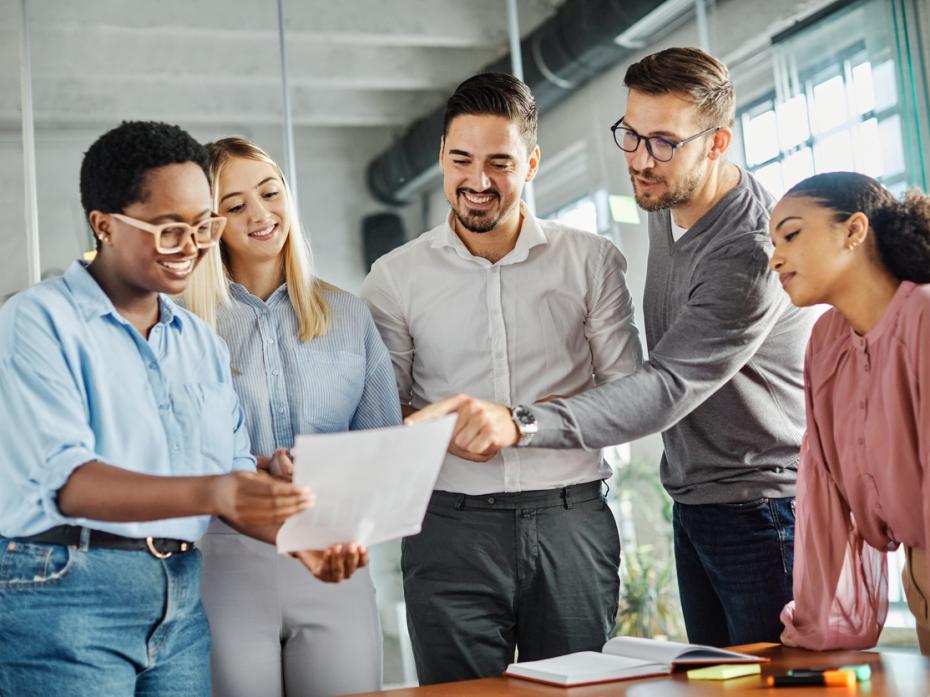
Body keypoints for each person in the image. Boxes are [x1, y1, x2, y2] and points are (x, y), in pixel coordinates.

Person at [408, 48, 816, 646]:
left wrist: (520, 421)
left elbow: (668, 385)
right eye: (631, 134)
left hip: (764, 509)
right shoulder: (669, 197)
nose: (640, 161)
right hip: (700, 502)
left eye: (663, 142)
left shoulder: (746, 253)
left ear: (718, 141)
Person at [0, 121, 357, 697]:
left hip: (181, 596)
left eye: (203, 226)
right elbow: (66, 482)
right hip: (66, 591)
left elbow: (233, 470)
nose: (193, 247)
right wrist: (217, 491)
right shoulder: (36, 322)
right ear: (105, 226)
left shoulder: (198, 342)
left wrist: (298, 534)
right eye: (170, 231)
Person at [360, 72, 642, 684]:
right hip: (448, 530)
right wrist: (429, 426)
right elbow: (381, 414)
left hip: (570, 524)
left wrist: (523, 424)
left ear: (532, 162)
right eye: (461, 160)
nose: (478, 182)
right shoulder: (395, 277)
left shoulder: (590, 260)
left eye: (500, 162)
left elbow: (628, 396)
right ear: (441, 157)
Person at [182, 137, 400, 697]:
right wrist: (257, 466)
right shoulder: (185, 327)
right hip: (223, 565)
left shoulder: (349, 315)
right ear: (211, 224)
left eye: (270, 192)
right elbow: (176, 455)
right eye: (234, 205)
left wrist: (333, 470)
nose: (259, 214)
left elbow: (384, 448)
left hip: (334, 560)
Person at [769, 171, 930, 654]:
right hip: (919, 582)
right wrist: (819, 618)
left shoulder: (923, 316)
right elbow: (822, 484)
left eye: (792, 235)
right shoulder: (825, 342)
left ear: (854, 230)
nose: (776, 258)